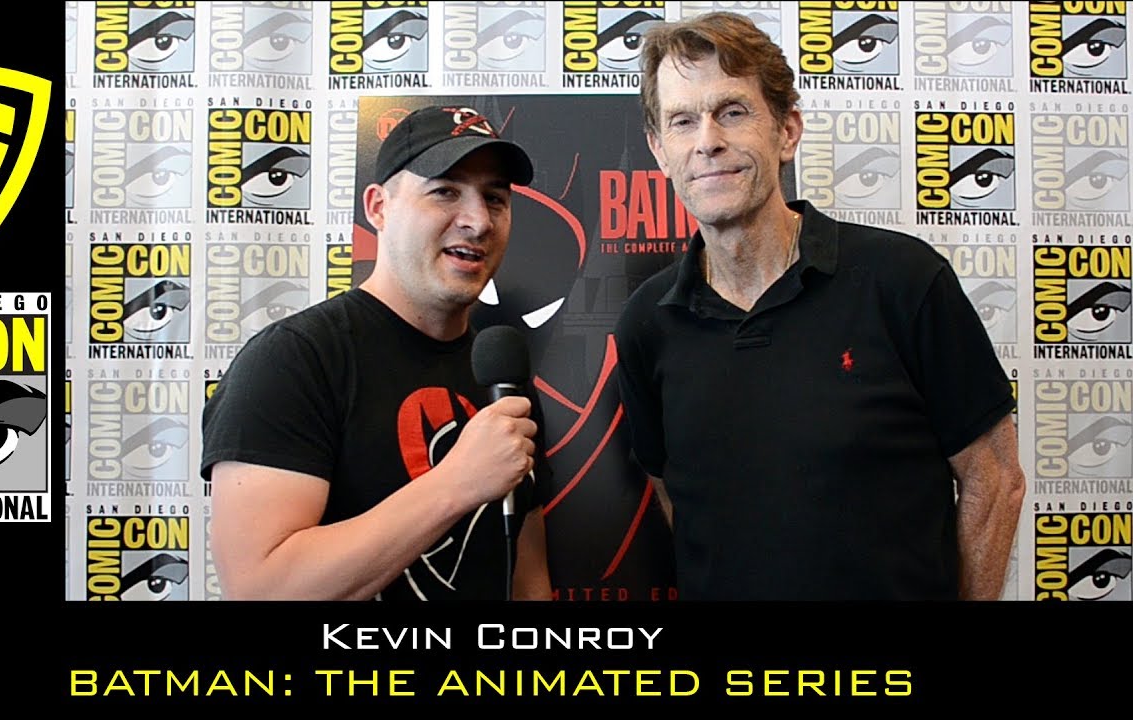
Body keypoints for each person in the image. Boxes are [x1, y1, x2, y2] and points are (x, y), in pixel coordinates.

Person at [614, 12, 1026, 601]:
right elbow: (673, 496)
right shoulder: (646, 324)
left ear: (787, 130)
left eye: (732, 111)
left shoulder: (903, 281)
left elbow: (996, 478)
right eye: (683, 121)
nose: (707, 141)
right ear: (660, 150)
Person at [202, 105, 553, 601]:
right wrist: (456, 483)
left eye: (495, 198)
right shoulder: (295, 360)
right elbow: (261, 591)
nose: (478, 221)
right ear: (378, 208)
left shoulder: (502, 377)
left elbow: (527, 577)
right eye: (445, 191)